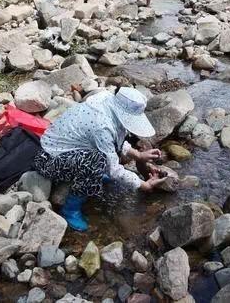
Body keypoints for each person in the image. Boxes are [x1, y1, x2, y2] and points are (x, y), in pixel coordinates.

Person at [34, 87, 166, 231]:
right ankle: (70, 209)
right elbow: (113, 169)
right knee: (96, 161)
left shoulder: (107, 103)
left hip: (67, 151)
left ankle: (91, 177)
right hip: (48, 160)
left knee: (100, 158)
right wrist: (143, 185)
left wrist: (139, 155)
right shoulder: (102, 125)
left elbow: (115, 140)